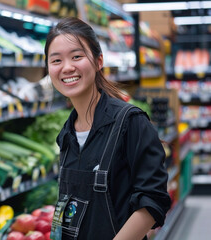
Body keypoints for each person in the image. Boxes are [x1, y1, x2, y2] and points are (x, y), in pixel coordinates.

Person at [45, 17, 171, 240]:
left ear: (98, 61)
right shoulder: (66, 134)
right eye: (56, 60)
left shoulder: (130, 122)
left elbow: (153, 200)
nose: (67, 67)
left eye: (76, 56)